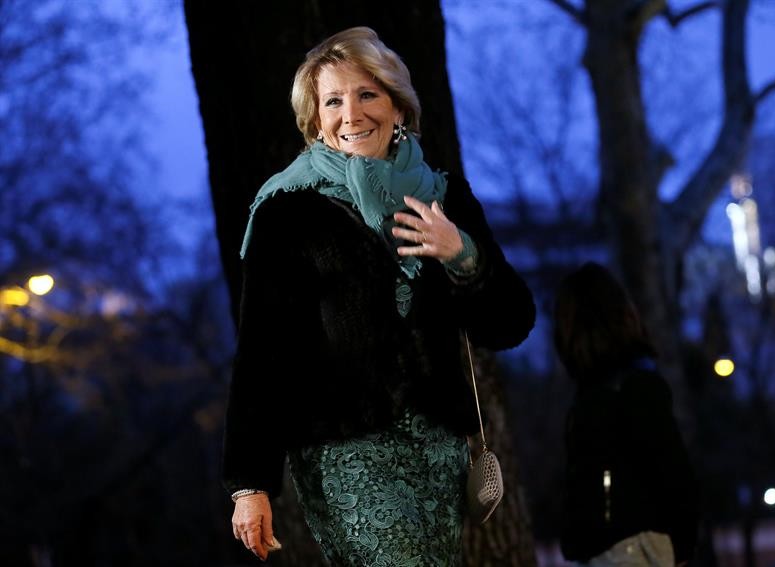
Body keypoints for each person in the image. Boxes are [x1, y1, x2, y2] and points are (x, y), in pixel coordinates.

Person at [222, 26, 536, 565]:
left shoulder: (443, 195)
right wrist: (249, 483)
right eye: (333, 101)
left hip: (439, 451)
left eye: (367, 94)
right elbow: (261, 354)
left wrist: (461, 253)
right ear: (315, 120)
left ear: (398, 106)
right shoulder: (287, 212)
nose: (351, 114)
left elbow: (510, 324)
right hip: (346, 452)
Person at [553, 262, 698, 566]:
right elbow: (673, 470)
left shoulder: (597, 397)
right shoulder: (632, 385)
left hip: (619, 546)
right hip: (635, 545)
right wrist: (684, 543)